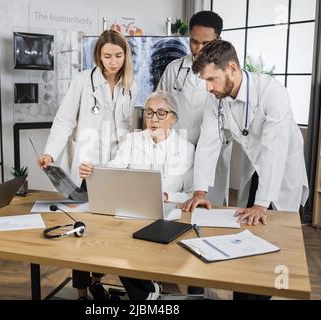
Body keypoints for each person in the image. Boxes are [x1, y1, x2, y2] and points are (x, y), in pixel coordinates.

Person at [37, 30, 138, 300]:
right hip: (87, 168)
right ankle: (81, 293)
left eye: (118, 55)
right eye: (107, 56)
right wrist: (50, 153)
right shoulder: (83, 81)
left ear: (125, 55)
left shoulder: (132, 84)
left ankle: (97, 282)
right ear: (98, 56)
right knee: (83, 227)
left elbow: (130, 129)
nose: (113, 61)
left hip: (117, 168)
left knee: (109, 229)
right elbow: (64, 120)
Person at [79, 90, 195, 300]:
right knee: (117, 241)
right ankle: (146, 292)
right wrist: (93, 171)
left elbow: (189, 193)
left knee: (132, 245)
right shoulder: (132, 140)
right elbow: (115, 170)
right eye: (149, 112)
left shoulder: (186, 149)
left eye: (161, 113)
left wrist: (169, 196)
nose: (153, 118)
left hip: (165, 216)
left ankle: (145, 291)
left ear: (173, 118)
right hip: (132, 214)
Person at [184, 39, 309, 226]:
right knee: (248, 221)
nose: (208, 88)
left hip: (282, 163)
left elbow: (274, 149)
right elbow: (208, 142)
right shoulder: (216, 97)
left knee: (281, 224)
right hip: (253, 161)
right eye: (204, 81)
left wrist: (261, 203)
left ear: (232, 68)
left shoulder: (272, 92)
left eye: (211, 79)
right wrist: (200, 191)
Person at [157, 11, 231, 207]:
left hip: (214, 148)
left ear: (218, 40)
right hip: (178, 146)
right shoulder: (174, 69)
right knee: (175, 201)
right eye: (194, 41)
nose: (198, 48)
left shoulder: (226, 73)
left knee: (211, 205)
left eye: (205, 43)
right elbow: (159, 104)